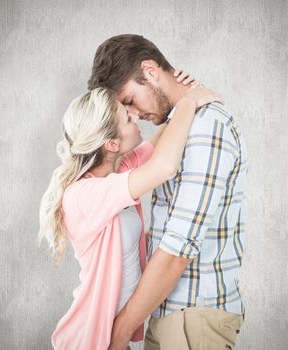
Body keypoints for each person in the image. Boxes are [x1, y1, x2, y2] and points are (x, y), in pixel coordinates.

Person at [88, 34, 248, 350]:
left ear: (150, 70)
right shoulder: (181, 125)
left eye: (130, 101)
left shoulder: (207, 125)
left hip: (193, 319)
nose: (131, 115)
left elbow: (178, 248)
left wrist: (120, 331)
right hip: (165, 312)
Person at [38, 73, 221, 349]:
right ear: (112, 144)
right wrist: (186, 105)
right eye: (127, 117)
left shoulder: (118, 170)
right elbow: (164, 167)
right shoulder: (83, 195)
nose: (135, 116)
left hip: (114, 334)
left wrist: (180, 90)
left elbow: (161, 144)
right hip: (90, 338)